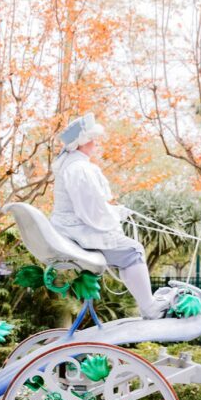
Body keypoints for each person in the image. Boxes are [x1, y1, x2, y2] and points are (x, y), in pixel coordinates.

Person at [50, 113, 176, 319]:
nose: (96, 143)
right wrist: (114, 215)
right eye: (93, 139)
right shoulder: (79, 168)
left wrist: (115, 212)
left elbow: (90, 206)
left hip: (71, 229)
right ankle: (149, 307)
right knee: (133, 250)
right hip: (77, 232)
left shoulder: (73, 165)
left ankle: (147, 305)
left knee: (130, 251)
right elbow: (90, 210)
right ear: (83, 142)